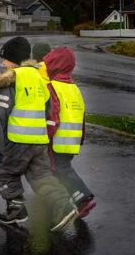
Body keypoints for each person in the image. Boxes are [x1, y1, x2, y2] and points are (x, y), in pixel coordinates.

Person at [0, 36, 77, 232]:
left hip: (16, 141)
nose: (3, 63)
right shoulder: (41, 79)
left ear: (13, 60)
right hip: (39, 142)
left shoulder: (10, 80)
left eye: (4, 59)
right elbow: (48, 111)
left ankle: (16, 210)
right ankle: (64, 206)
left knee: (7, 174)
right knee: (41, 177)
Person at [43, 47, 96, 218]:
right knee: (61, 168)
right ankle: (70, 200)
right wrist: (81, 138)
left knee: (58, 169)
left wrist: (46, 136)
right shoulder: (74, 88)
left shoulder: (52, 87)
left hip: (57, 139)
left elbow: (53, 115)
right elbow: (82, 116)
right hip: (71, 139)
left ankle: (82, 198)